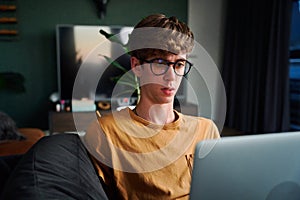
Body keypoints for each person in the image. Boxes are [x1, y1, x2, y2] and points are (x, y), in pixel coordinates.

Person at [82, 13, 220, 199]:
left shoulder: (206, 130)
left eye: (179, 64)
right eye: (160, 63)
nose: (171, 77)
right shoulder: (106, 132)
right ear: (137, 66)